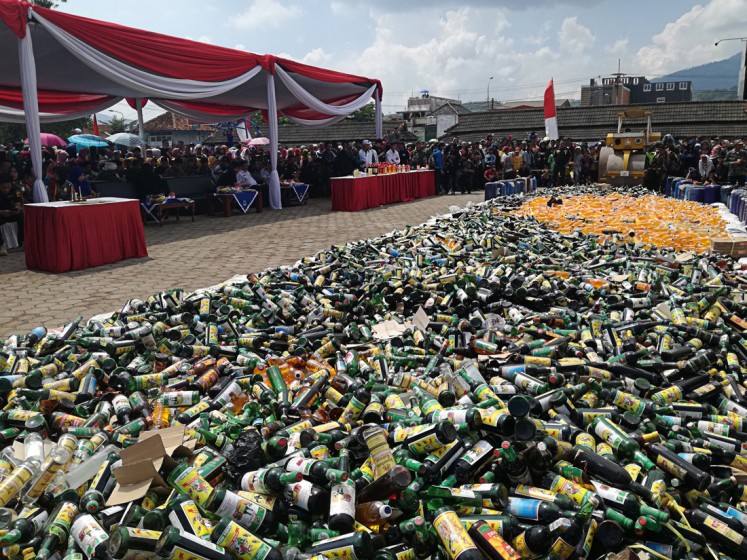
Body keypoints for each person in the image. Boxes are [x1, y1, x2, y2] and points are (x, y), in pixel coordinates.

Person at [0, 174, 23, 255]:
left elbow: (18, 202)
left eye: (8, 187)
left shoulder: (16, 190)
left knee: (22, 215)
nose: (6, 190)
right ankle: (1, 245)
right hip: (1, 213)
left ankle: (22, 241)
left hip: (10, 212)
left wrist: (17, 209)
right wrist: (2, 212)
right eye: (3, 187)